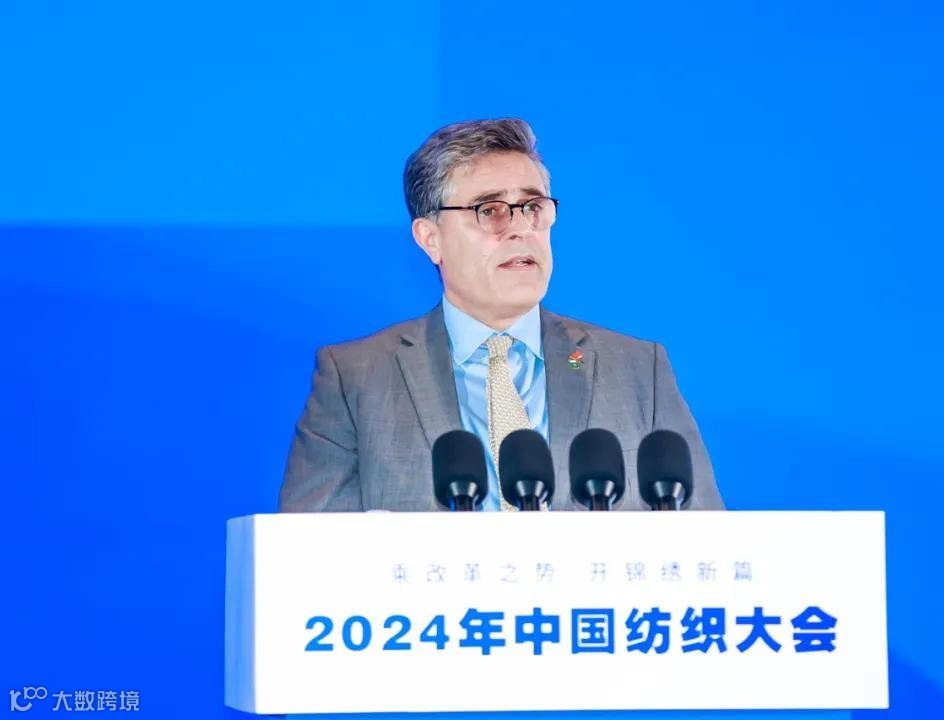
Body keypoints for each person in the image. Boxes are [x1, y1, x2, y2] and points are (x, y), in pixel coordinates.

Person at [279, 118, 724, 512]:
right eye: (490, 211)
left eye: (533, 208)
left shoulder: (636, 369)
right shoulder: (357, 379)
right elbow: (307, 552)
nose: (520, 229)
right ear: (430, 238)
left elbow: (708, 541)